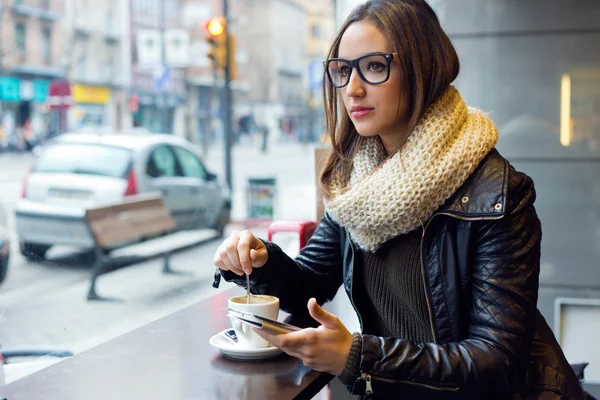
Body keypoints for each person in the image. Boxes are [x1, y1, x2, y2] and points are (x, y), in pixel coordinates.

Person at [213, 1, 586, 398]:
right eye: (343, 71)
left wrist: (361, 357)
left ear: (422, 69)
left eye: (374, 67)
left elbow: (497, 362)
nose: (352, 89)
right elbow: (309, 285)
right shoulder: (359, 186)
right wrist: (258, 260)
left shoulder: (497, 194)